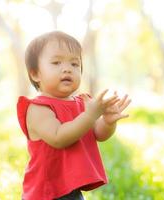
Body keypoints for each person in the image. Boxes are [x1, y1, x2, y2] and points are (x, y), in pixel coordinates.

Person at [17, 31, 131, 200]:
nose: (67, 69)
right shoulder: (37, 108)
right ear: (35, 74)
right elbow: (59, 137)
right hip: (46, 192)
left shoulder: (81, 102)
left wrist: (107, 122)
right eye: (56, 62)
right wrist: (90, 116)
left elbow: (98, 134)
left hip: (71, 189)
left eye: (75, 64)